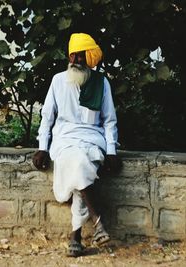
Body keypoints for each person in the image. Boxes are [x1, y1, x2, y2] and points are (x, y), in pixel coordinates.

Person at [32, 33, 121, 257]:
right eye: (74, 55)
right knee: (81, 165)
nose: (77, 60)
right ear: (69, 57)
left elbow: (109, 120)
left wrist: (111, 151)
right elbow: (47, 117)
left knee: (79, 162)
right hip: (64, 139)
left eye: (82, 56)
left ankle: (76, 236)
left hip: (92, 138)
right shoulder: (58, 81)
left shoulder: (101, 82)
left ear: (89, 57)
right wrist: (43, 147)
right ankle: (95, 221)